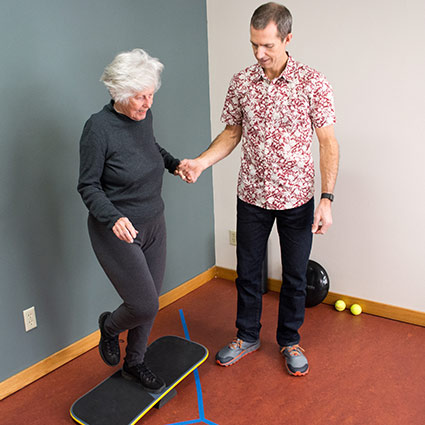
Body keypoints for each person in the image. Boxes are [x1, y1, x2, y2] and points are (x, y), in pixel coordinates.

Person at [179, 2, 339, 376]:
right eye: (253, 44)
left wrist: (327, 200)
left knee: (295, 274)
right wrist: (202, 162)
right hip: (251, 195)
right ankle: (247, 335)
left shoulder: (312, 81)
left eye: (267, 45)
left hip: (297, 198)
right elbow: (232, 133)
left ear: (287, 38)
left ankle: (289, 340)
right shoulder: (242, 82)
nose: (259, 53)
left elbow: (328, 142)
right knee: (248, 271)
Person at [77, 48, 181, 393]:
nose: (147, 103)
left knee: (150, 302)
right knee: (143, 303)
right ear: (119, 94)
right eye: (140, 96)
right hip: (117, 229)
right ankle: (109, 328)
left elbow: (150, 148)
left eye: (151, 95)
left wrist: (174, 164)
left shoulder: (143, 118)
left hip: (154, 223)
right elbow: (88, 185)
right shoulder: (98, 129)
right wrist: (113, 217)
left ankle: (134, 363)